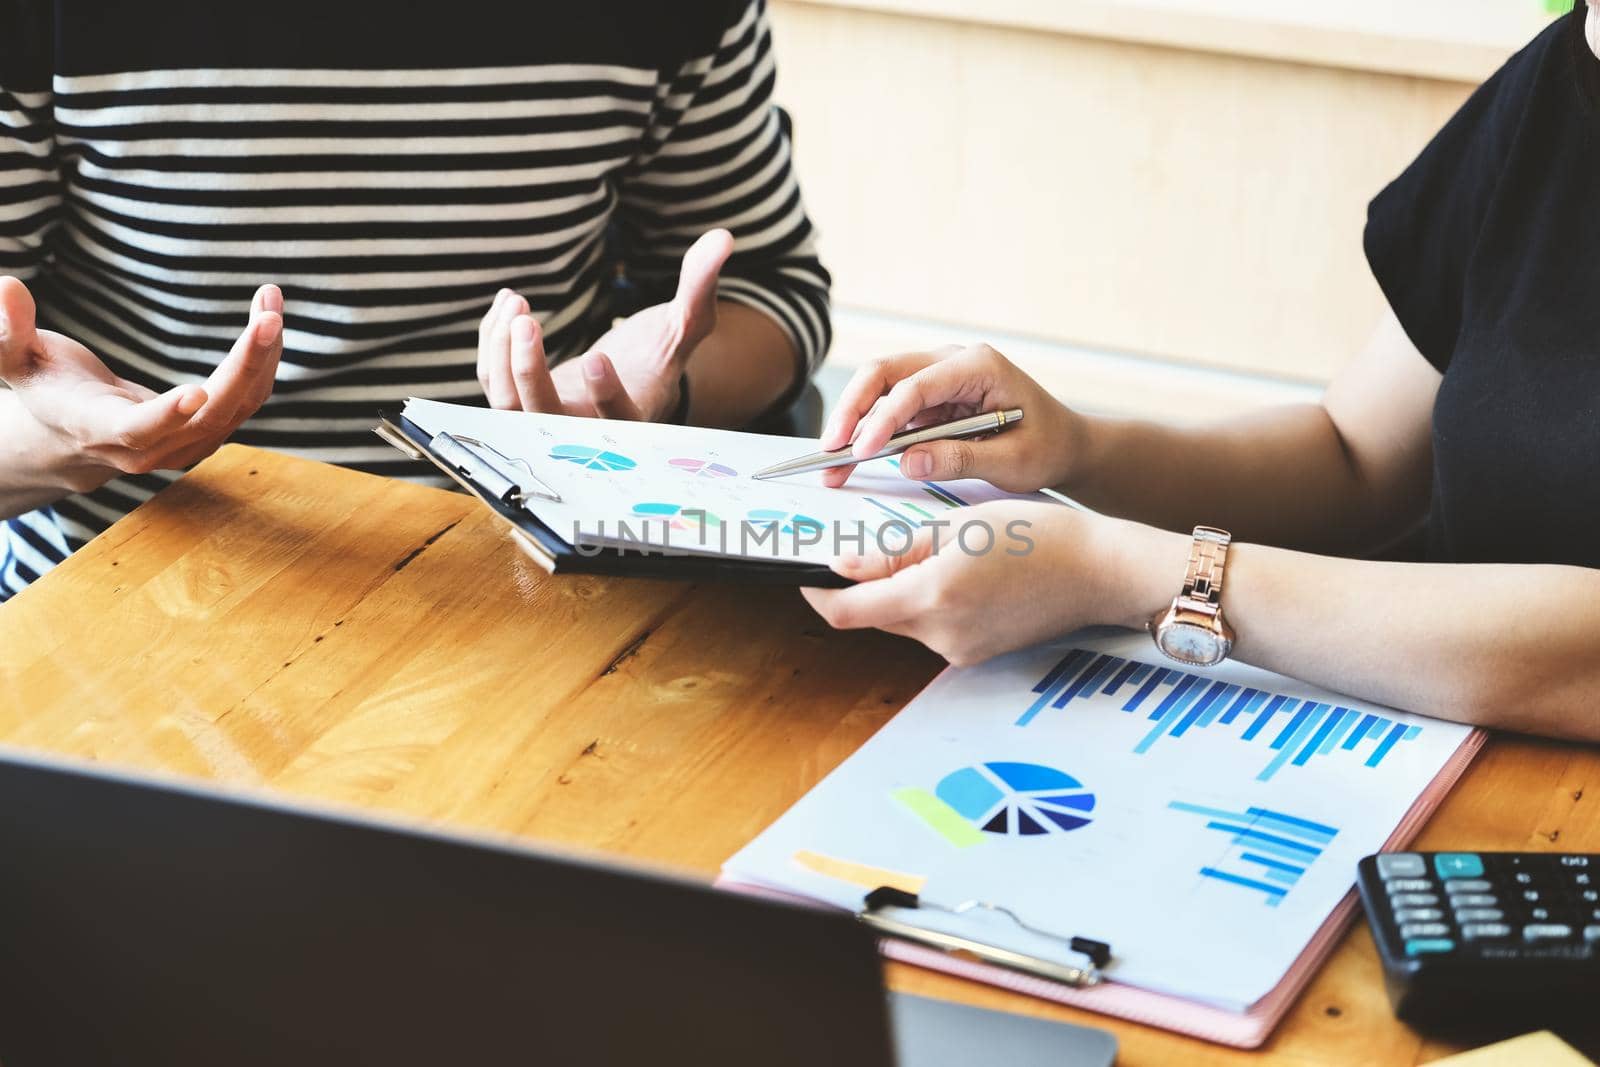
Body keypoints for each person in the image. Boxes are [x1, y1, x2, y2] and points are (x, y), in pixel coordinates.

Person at [803, 1, 1600, 742]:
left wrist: (1128, 573)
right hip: (1435, 758)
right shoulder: (1556, 84)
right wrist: (1076, 445)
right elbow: (1352, 456)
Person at [0, 0, 830, 600]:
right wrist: (63, 435)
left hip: (535, 593)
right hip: (109, 600)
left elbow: (772, 291)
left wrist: (649, 390)